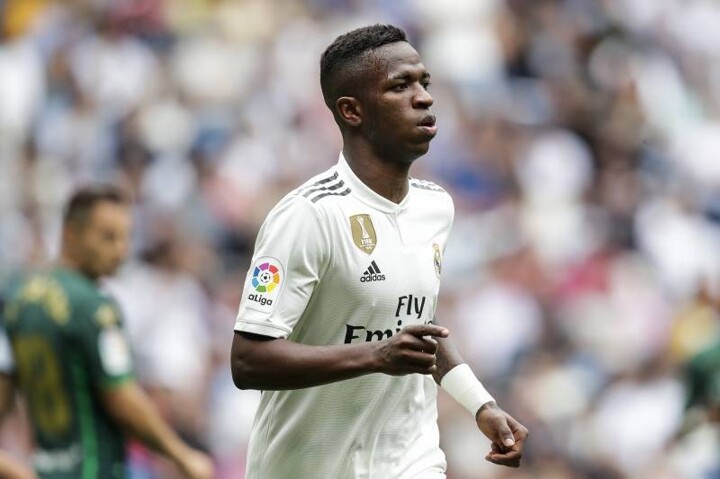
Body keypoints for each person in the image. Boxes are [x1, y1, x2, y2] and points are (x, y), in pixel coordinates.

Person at [230, 24, 529, 478]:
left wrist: (480, 404)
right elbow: (248, 361)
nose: (423, 98)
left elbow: (415, 326)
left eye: (424, 83)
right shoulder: (308, 216)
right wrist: (375, 356)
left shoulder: (435, 206)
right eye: (400, 86)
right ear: (352, 111)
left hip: (408, 460)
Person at [0, 186, 214, 479]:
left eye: (126, 237)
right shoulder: (93, 306)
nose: (120, 250)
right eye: (107, 237)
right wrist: (182, 455)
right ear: (70, 234)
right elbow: (121, 397)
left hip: (45, 468)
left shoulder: (18, 300)